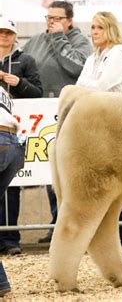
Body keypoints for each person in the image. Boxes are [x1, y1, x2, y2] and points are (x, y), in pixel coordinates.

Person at [23, 1, 92, 243]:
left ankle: (77, 227)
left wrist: (60, 39)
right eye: (48, 17)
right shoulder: (35, 41)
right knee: (51, 172)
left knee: (75, 174)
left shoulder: (80, 41)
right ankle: (58, 224)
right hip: (42, 115)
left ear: (69, 20)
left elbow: (78, 67)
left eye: (57, 18)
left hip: (73, 113)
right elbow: (25, 67)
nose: (51, 22)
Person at [76, 11, 122, 247]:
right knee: (105, 180)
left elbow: (99, 86)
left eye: (99, 28)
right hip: (100, 124)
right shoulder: (93, 58)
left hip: (119, 123)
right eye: (92, 28)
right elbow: (80, 84)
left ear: (110, 29)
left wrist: (86, 86)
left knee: (115, 179)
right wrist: (87, 86)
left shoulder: (119, 54)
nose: (94, 32)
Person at [0, 17, 43, 255]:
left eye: (8, 32)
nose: (4, 36)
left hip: (16, 127)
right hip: (7, 129)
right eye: (1, 32)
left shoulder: (25, 60)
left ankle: (9, 237)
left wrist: (20, 83)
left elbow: (38, 91)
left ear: (15, 36)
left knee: (12, 186)